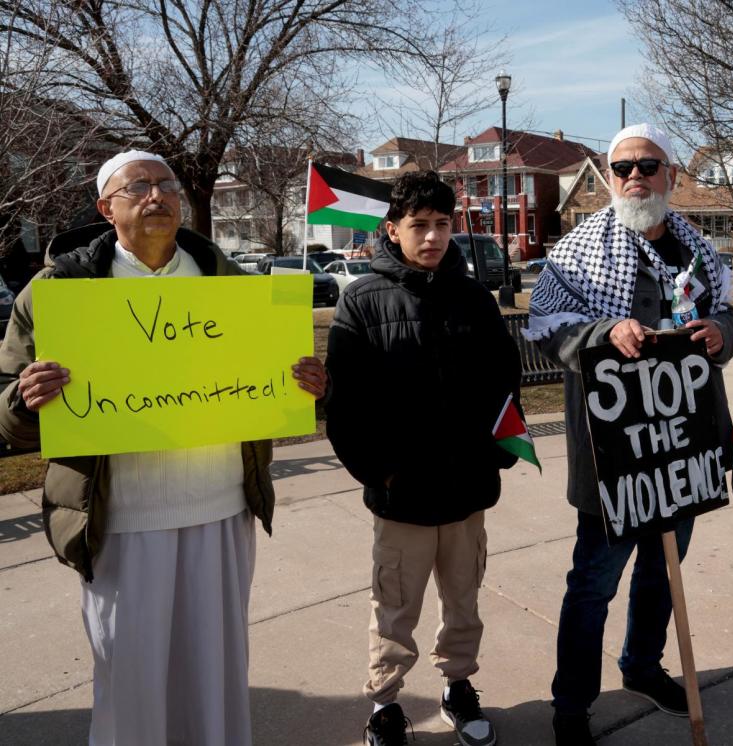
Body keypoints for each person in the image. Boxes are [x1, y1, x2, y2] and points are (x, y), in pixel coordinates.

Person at [0, 150, 328, 745]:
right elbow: (8, 417)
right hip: (119, 518)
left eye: (166, 184)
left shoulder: (232, 286)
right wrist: (25, 400)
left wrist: (305, 384)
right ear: (106, 208)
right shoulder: (59, 291)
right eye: (138, 187)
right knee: (130, 678)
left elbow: (273, 384)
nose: (156, 196)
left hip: (221, 506)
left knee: (217, 673)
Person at [526, 123, 733, 746]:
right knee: (593, 582)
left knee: (662, 573)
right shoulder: (577, 253)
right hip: (612, 454)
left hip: (684, 444)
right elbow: (548, 325)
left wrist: (720, 330)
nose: (635, 176)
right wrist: (603, 333)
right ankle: (572, 702)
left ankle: (642, 667)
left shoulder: (698, 251)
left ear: (671, 176)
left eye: (648, 165)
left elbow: (724, 310)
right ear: (609, 179)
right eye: (622, 168)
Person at [325, 171, 521, 746]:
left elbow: (503, 381)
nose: (432, 237)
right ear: (393, 229)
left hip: (466, 491)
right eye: (419, 225)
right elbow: (345, 403)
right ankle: (385, 702)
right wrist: (377, 471)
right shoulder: (362, 299)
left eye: (441, 224)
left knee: (463, 601)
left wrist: (498, 454)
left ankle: (458, 685)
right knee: (394, 607)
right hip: (401, 494)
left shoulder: (473, 298)